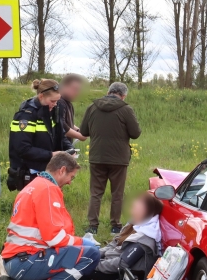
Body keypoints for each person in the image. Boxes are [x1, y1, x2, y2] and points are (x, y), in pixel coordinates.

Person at [0, 153, 101, 280]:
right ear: (62, 170)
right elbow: (54, 238)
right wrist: (83, 243)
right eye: (71, 177)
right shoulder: (48, 189)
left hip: (19, 259)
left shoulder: (34, 185)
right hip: (27, 259)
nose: (70, 182)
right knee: (91, 255)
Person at [79, 82, 141, 234]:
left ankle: (92, 226)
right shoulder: (126, 109)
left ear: (108, 92)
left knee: (95, 193)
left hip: (97, 156)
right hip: (119, 158)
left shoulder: (92, 107)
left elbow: (83, 131)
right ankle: (115, 226)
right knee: (117, 193)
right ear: (123, 95)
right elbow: (135, 133)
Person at [80, 192, 164, 280]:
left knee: (76, 274)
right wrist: (93, 255)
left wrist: (94, 265)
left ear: (146, 212)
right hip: (106, 264)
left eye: (136, 208)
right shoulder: (134, 224)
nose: (132, 211)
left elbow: (121, 264)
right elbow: (113, 243)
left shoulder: (145, 240)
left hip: (116, 277)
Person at [7, 79, 71, 191]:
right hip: (31, 173)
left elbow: (60, 135)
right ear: (41, 96)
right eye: (52, 101)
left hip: (49, 170)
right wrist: (51, 154)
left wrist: (69, 149)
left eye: (57, 101)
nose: (55, 104)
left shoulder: (53, 112)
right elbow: (23, 148)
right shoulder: (26, 116)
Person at [58, 74, 87, 142]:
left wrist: (78, 130)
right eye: (75, 89)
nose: (77, 93)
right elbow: (61, 125)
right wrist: (79, 136)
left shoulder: (68, 103)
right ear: (64, 86)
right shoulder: (59, 102)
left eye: (78, 90)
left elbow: (68, 123)